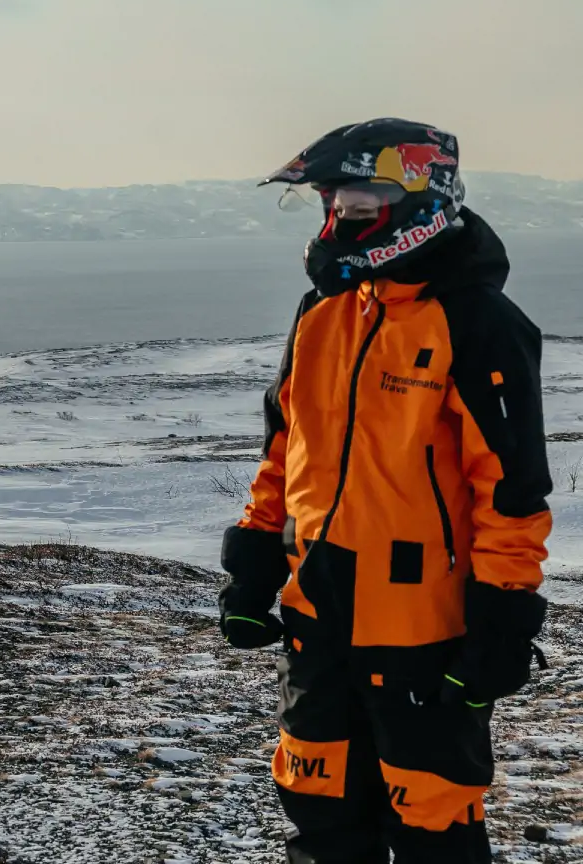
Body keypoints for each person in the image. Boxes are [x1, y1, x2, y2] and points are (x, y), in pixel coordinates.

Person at [221, 120, 551, 862]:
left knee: (433, 820)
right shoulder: (323, 313)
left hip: (421, 630)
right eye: (332, 203)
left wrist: (502, 621)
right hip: (317, 610)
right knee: (318, 808)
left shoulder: (477, 323)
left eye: (360, 202)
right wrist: (253, 563)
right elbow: (286, 448)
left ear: (416, 201)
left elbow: (512, 492)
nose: (341, 219)